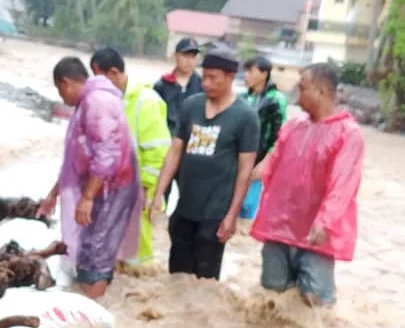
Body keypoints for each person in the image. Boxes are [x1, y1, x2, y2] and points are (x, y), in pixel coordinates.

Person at [250, 63, 363, 308]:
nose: (296, 94)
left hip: (316, 235)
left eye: (302, 88)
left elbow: (342, 186)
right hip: (279, 228)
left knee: (315, 305)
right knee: (272, 298)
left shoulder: (348, 134)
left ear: (320, 92)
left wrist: (324, 222)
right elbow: (270, 164)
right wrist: (239, 180)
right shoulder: (293, 127)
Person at [151, 44, 258, 280]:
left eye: (213, 78)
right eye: (205, 76)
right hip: (185, 208)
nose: (206, 83)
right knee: (177, 278)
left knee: (205, 284)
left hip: (215, 214)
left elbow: (244, 171)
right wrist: (159, 193)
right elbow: (175, 152)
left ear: (230, 78)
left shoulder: (245, 117)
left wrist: (232, 216)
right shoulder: (191, 106)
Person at [38, 57, 139, 299]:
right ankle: (89, 299)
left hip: (110, 189)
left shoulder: (97, 102)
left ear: (67, 82)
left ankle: (90, 310)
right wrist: (54, 194)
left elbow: (106, 156)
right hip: (99, 188)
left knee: (97, 250)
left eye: (59, 89)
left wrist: (87, 198)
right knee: (88, 247)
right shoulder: (89, 101)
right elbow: (76, 159)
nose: (61, 96)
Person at [88, 47, 169, 269]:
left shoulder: (147, 101)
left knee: (134, 258)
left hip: (137, 189)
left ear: (114, 73)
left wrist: (144, 188)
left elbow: (158, 152)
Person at [239, 55, 289, 224]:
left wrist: (266, 162)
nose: (246, 75)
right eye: (245, 71)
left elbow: (280, 135)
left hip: (260, 158)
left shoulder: (276, 100)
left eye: (250, 71)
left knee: (248, 206)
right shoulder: (244, 98)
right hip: (239, 158)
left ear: (264, 73)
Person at [153, 37, 203, 138]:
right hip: (166, 139)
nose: (189, 61)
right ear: (175, 56)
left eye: (192, 57)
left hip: (193, 141)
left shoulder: (203, 86)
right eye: (185, 56)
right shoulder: (162, 86)